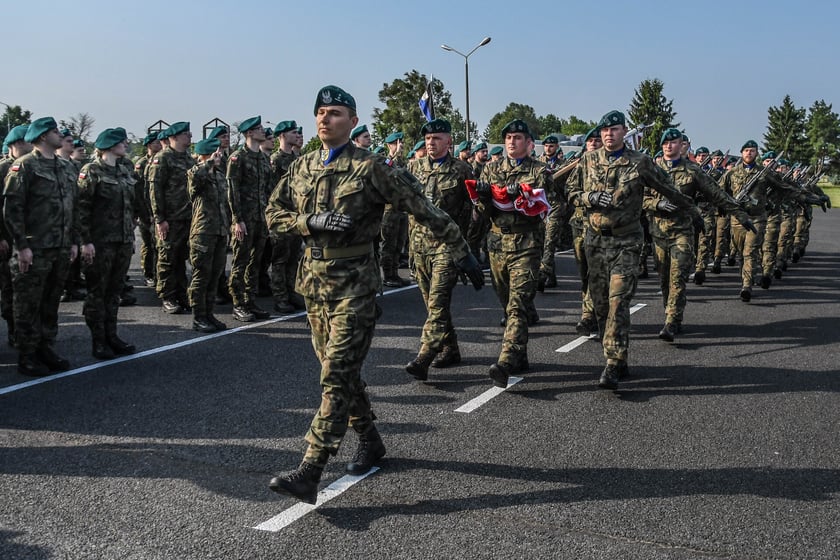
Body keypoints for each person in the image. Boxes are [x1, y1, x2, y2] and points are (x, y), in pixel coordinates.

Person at [265, 85, 483, 504]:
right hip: (313, 282)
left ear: (352, 120)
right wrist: (309, 221)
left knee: (336, 374)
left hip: (355, 285)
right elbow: (273, 214)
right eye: (321, 112)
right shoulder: (303, 165)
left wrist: (462, 251)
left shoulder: (371, 169)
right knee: (339, 371)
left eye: (335, 113)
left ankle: (311, 469)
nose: (325, 119)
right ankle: (370, 439)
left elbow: (425, 209)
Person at [566, 111, 696, 389]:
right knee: (600, 305)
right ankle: (619, 356)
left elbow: (668, 187)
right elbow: (571, 192)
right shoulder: (588, 160)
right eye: (604, 130)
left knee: (618, 301)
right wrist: (587, 197)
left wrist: (692, 211)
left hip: (626, 242)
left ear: (624, 131)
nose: (608, 134)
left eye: (613, 129)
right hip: (595, 241)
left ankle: (612, 362)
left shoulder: (640, 163)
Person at [648, 129, 755, 342]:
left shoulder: (693, 171)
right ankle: (673, 315)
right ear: (662, 146)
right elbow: (639, 197)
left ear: (682, 145)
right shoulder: (651, 169)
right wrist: (656, 203)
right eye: (665, 142)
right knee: (664, 278)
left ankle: (671, 320)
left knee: (678, 276)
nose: (669, 145)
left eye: (674, 142)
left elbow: (717, 194)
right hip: (658, 231)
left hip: (682, 231)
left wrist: (740, 214)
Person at [474, 119, 555, 388]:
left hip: (527, 244)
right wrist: (484, 198)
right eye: (508, 137)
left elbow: (541, 203)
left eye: (518, 137)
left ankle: (506, 360)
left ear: (530, 144)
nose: (512, 141)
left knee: (517, 304)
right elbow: (484, 214)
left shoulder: (540, 170)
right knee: (506, 300)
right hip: (497, 244)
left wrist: (520, 194)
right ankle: (520, 354)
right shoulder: (491, 169)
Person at [3, 117, 80, 376]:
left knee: (50, 303)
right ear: (43, 136)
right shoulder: (24, 166)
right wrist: (21, 246)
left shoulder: (65, 167)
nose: (60, 135)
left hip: (59, 247)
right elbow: (12, 209)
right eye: (55, 132)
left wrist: (73, 242)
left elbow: (73, 208)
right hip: (34, 249)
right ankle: (27, 355)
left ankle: (46, 348)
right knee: (27, 305)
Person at [404, 118, 473, 381]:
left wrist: (466, 249)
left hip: (446, 246)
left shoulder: (462, 170)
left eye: (436, 138)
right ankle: (450, 347)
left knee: (438, 301)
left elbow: (474, 211)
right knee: (431, 303)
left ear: (448, 141)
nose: (431, 143)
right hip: (419, 245)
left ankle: (425, 354)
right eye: (428, 139)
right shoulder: (413, 167)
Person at [718, 141, 821, 302]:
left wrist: (808, 198)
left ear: (757, 154)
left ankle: (746, 285)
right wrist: (725, 205)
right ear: (741, 153)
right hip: (737, 219)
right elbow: (718, 191)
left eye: (752, 151)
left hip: (758, 218)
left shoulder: (764, 174)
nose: (749, 153)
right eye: (746, 150)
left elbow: (785, 188)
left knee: (750, 252)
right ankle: (747, 277)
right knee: (740, 253)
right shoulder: (732, 173)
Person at [77, 128, 138, 359]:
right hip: (100, 242)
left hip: (121, 240)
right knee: (97, 293)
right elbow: (82, 209)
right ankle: (98, 341)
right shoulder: (91, 171)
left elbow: (131, 205)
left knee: (114, 292)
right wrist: (86, 242)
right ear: (110, 146)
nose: (125, 145)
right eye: (121, 142)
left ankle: (112, 335)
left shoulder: (123, 170)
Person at [226, 116, 272, 322]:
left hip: (260, 218)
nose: (264, 132)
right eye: (259, 129)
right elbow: (232, 191)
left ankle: (250, 299)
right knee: (240, 262)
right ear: (249, 133)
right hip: (244, 218)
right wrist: (237, 219)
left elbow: (266, 190)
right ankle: (238, 304)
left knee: (256, 262)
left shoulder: (262, 158)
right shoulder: (238, 157)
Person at [148, 122, 193, 314]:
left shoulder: (189, 160)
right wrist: (160, 219)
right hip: (170, 218)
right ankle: (167, 296)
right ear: (173, 137)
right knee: (167, 258)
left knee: (181, 258)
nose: (190, 136)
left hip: (187, 217)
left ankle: (182, 294)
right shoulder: (162, 158)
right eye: (185, 134)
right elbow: (155, 190)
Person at [186, 138, 230, 333]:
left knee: (215, 275)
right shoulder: (196, 173)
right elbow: (195, 180)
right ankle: (198, 317)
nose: (219, 155)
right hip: (203, 231)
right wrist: (208, 163)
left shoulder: (219, 176)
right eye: (215, 152)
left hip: (220, 230)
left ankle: (209, 313)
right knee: (201, 276)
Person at [0, 125, 33, 347]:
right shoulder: (4, 169)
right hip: (7, 239)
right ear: (19, 143)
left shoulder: (30, 165)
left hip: (26, 237)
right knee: (9, 287)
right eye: (29, 141)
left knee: (26, 287)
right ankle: (13, 329)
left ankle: (28, 332)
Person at [268, 120, 304, 313]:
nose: (296, 135)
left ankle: (291, 292)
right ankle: (280, 297)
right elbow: (271, 191)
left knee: (293, 258)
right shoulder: (275, 160)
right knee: (280, 260)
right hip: (282, 217)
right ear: (281, 136)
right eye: (292, 132)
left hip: (297, 215)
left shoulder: (298, 159)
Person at [569, 127, 601, 335]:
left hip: (600, 227)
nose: (595, 144)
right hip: (579, 225)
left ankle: (589, 315)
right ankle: (592, 310)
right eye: (591, 141)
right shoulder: (578, 166)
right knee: (584, 273)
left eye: (598, 141)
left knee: (595, 272)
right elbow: (568, 191)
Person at [538, 135, 567, 289]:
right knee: (542, 242)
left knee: (549, 241)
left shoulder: (564, 165)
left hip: (556, 206)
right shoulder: (537, 163)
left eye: (552, 146)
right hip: (540, 206)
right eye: (546, 146)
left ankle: (542, 275)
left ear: (557, 147)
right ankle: (552, 276)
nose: (549, 148)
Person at [134, 132, 162, 287]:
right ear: (149, 145)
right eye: (156, 143)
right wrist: (143, 213)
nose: (159, 145)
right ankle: (148, 273)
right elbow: (140, 190)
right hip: (146, 210)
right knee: (148, 244)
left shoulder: (160, 161)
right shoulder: (142, 163)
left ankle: (157, 272)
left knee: (157, 244)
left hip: (156, 210)